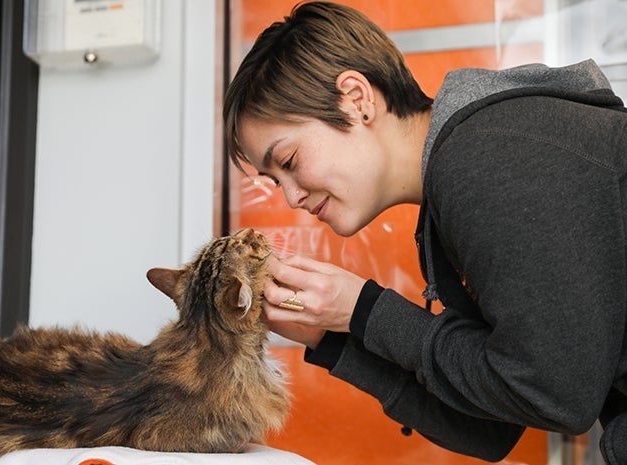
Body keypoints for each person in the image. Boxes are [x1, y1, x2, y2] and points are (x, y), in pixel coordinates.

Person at [223, 1, 627, 463]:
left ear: (356, 99)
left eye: (290, 162)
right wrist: (331, 335)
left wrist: (363, 308)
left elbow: (554, 395)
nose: (291, 197)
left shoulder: (488, 160)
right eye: (275, 181)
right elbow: (492, 432)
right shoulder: (458, 183)